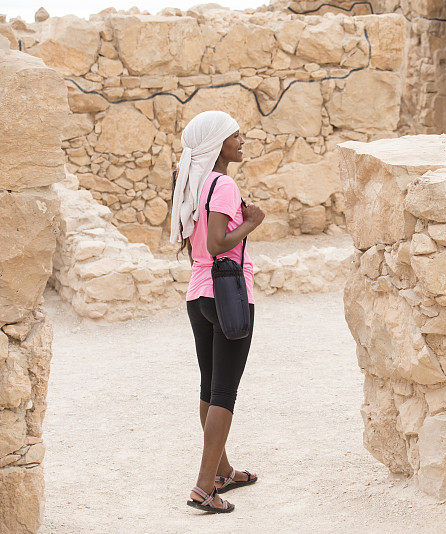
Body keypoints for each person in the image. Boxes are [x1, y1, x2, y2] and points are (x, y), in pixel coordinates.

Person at [170, 110, 265, 513]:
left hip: (198, 294)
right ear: (217, 145)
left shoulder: (194, 184)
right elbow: (216, 244)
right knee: (225, 392)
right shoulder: (223, 183)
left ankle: (223, 471)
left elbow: (197, 248)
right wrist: (254, 222)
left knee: (210, 388)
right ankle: (204, 488)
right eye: (235, 136)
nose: (242, 141)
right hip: (228, 294)